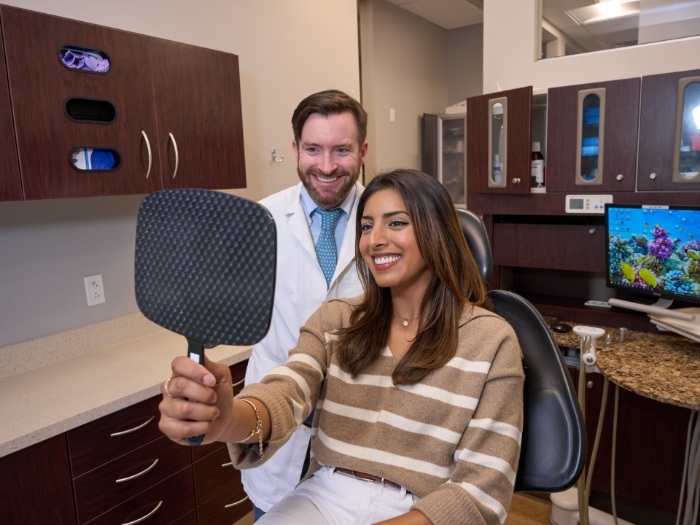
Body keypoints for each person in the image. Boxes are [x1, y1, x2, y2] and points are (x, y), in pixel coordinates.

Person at [159, 169, 525, 525]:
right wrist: (228, 419)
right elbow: (286, 391)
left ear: (437, 232)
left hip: (423, 510)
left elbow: (484, 486)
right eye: (366, 226)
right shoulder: (337, 319)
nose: (374, 239)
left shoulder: (491, 340)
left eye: (396, 223)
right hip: (322, 497)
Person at [244, 89, 369, 518]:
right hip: (276, 425)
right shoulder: (260, 221)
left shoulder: (391, 224)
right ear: (296, 148)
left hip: (361, 431)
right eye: (313, 148)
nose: (328, 165)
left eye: (342, 150)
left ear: (364, 151)